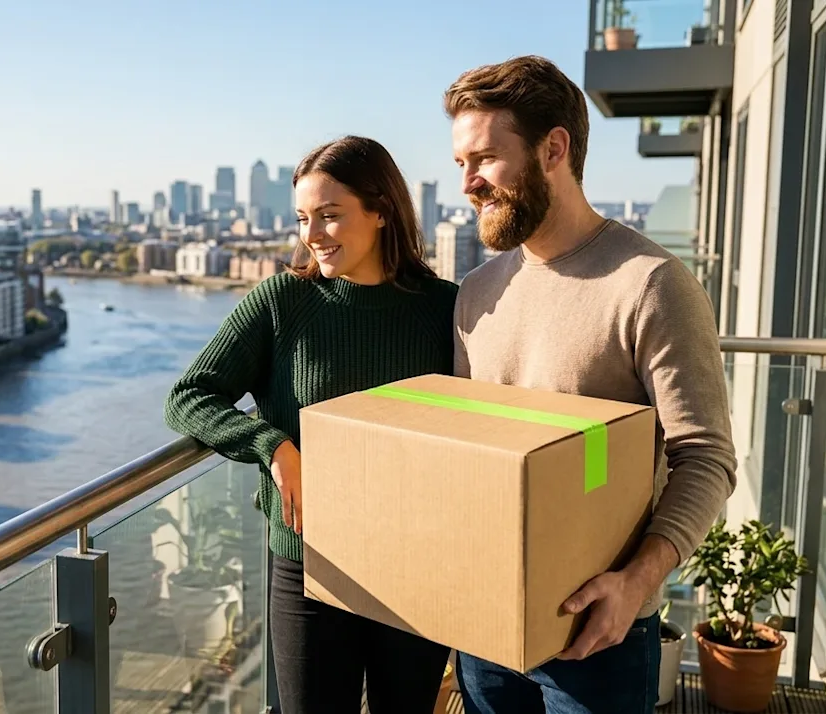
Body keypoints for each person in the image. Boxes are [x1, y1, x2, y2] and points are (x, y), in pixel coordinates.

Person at [444, 56, 738, 714]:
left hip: (599, 637)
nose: (468, 183)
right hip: (485, 631)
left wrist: (636, 583)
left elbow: (708, 457)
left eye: (485, 159)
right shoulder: (475, 294)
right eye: (460, 163)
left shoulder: (651, 284)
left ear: (554, 148)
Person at [163, 135, 458, 714]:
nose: (312, 234)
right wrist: (270, 444)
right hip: (306, 560)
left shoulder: (445, 308)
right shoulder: (283, 302)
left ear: (380, 211)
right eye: (303, 218)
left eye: (329, 215)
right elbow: (188, 396)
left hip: (416, 554)